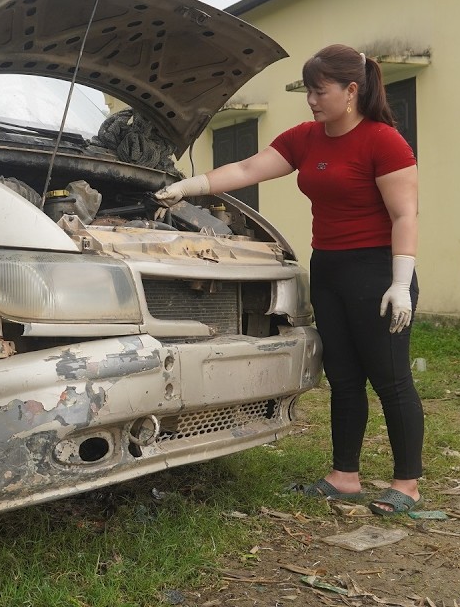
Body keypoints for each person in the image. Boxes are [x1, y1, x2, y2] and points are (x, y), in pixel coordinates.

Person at [154, 44, 423, 516]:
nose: (312, 101)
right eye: (309, 92)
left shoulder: (384, 141)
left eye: (320, 91)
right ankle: (345, 477)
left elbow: (405, 215)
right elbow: (246, 169)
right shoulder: (306, 138)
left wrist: (400, 283)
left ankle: (407, 484)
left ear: (351, 90)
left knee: (391, 378)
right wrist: (188, 187)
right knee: (342, 377)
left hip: (378, 270)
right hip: (330, 268)